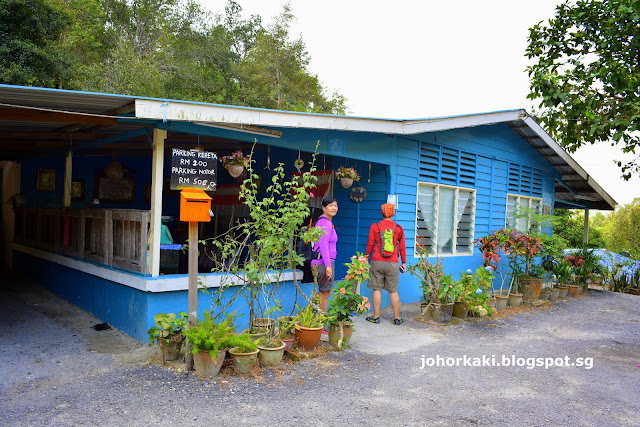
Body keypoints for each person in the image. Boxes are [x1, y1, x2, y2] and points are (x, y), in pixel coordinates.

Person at [365, 203, 407, 325]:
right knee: (393, 291)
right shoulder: (399, 228)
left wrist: (366, 258)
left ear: (382, 213)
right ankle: (397, 318)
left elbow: (370, 244)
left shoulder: (375, 226)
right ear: (393, 213)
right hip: (393, 263)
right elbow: (402, 247)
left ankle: (376, 317)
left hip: (377, 261)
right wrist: (403, 262)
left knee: (377, 289)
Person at [311, 196, 338, 313]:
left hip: (323, 261)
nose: (334, 208)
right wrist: (328, 265)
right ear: (323, 207)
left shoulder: (325, 222)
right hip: (322, 262)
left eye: (335, 206)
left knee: (326, 291)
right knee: (326, 292)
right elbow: (323, 245)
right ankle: (321, 321)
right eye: (331, 205)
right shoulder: (325, 223)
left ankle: (305, 314)